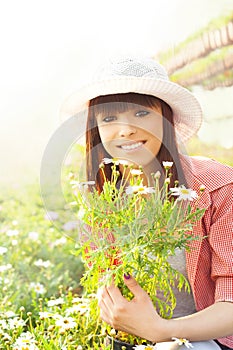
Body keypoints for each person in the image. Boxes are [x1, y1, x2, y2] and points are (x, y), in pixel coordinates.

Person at [63, 56, 233, 349]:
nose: (125, 129)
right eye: (109, 118)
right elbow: (107, 284)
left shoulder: (217, 187)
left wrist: (161, 331)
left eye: (141, 113)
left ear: (166, 119)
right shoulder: (103, 198)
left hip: (203, 340)